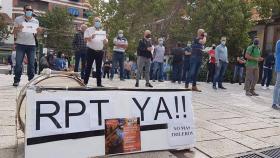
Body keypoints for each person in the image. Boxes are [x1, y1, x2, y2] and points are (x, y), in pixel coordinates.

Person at [12, 4, 42, 86]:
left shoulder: (36, 21)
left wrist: (39, 31)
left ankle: (31, 81)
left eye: (31, 10)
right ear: (24, 10)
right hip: (20, 44)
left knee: (31, 64)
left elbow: (37, 35)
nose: (29, 11)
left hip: (31, 45)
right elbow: (13, 32)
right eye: (28, 9)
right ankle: (16, 80)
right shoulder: (18, 19)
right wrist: (18, 28)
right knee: (18, 63)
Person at [83, 17, 108, 87]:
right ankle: (85, 83)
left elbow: (105, 40)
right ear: (93, 22)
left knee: (99, 68)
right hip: (91, 50)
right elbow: (85, 39)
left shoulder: (102, 31)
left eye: (99, 21)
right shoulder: (89, 30)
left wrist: (106, 41)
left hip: (100, 51)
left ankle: (99, 84)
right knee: (88, 67)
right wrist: (91, 37)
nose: (98, 22)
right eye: (96, 21)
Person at [273, 39, 280, 109]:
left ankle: (279, 102)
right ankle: (274, 103)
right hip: (279, 66)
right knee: (278, 84)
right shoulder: (279, 42)